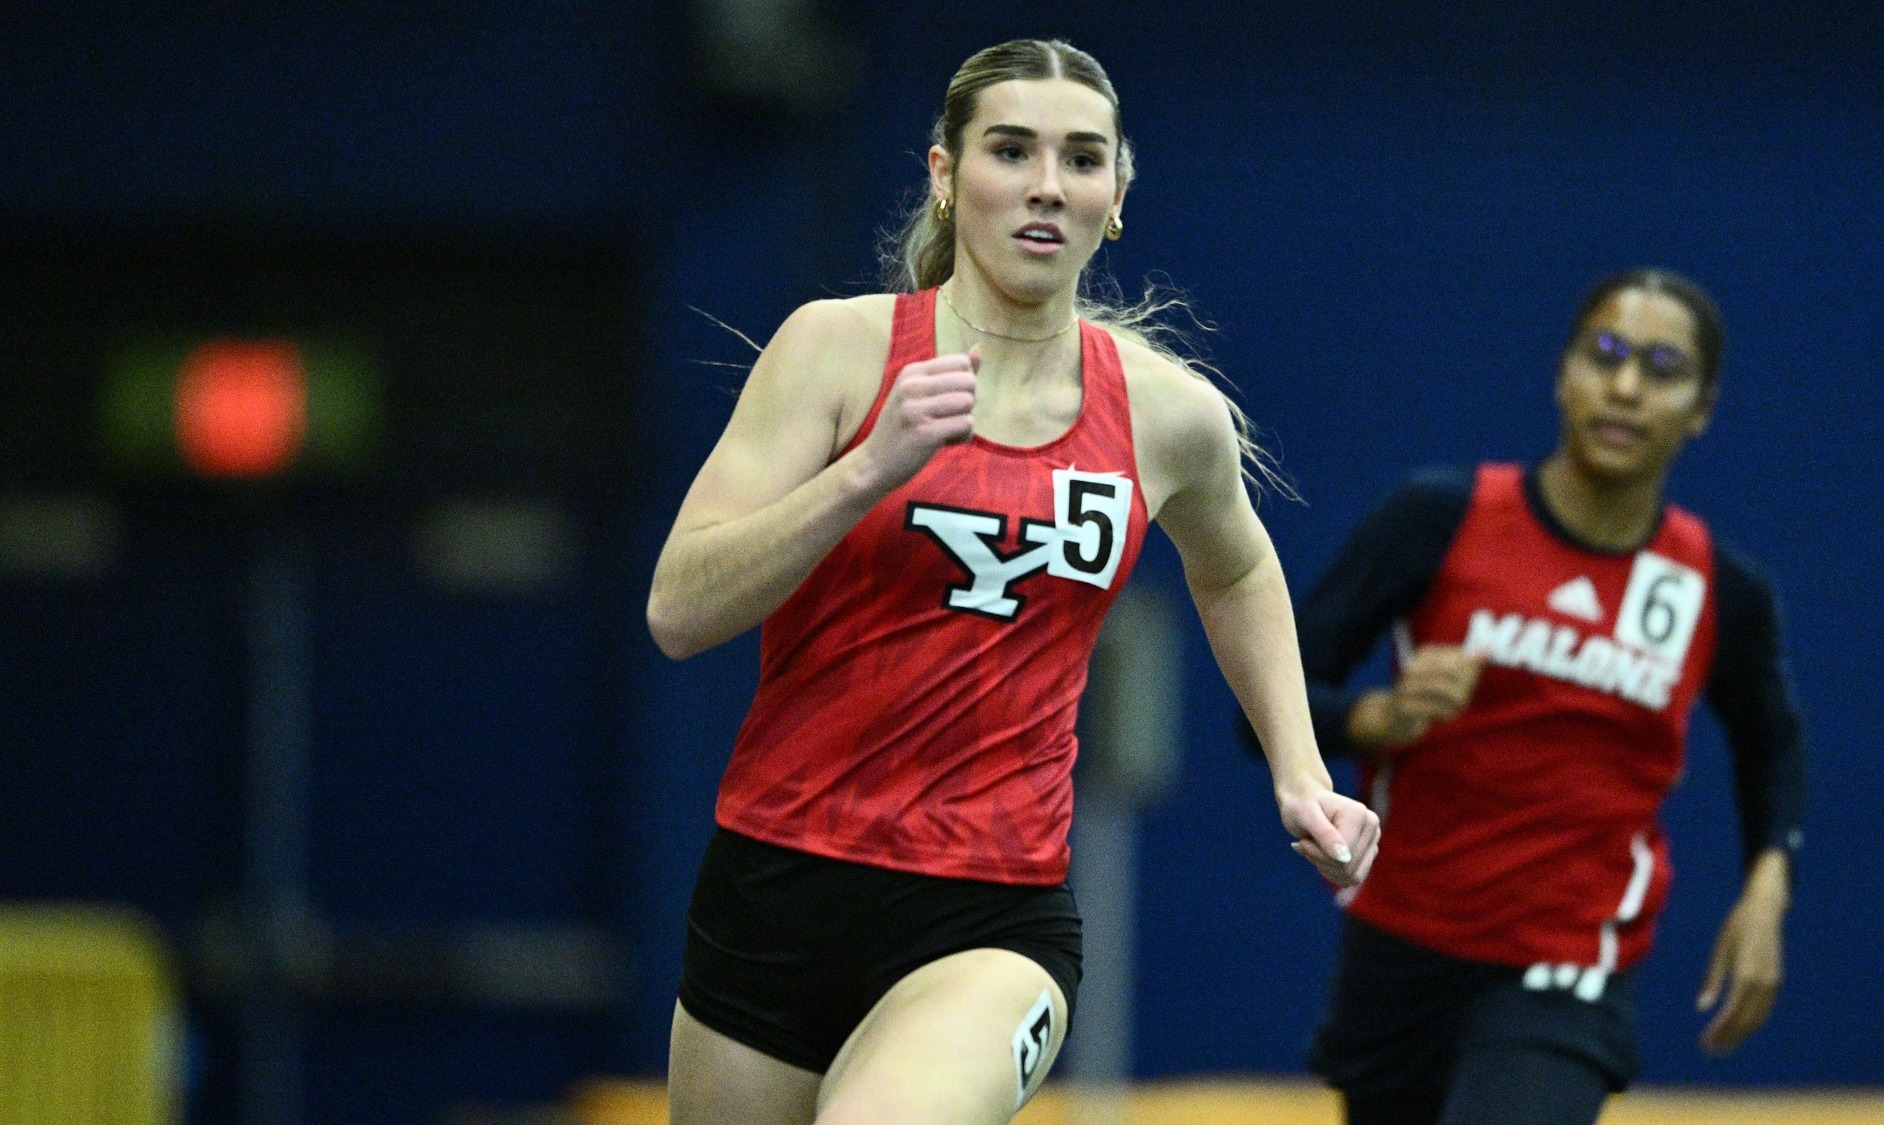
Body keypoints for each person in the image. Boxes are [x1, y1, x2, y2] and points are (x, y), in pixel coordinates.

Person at [646, 39, 1379, 1125]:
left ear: (1115, 196)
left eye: (1081, 159)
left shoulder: (1167, 413)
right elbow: (678, 608)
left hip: (991, 912)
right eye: (1010, 150)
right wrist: (863, 476)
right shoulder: (835, 354)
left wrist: (1298, 768)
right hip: (776, 884)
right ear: (945, 175)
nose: (1045, 183)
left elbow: (1235, 571)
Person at [1285, 269, 1807, 1125]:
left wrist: (1767, 884)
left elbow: (1772, 742)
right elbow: (1270, 701)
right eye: (1605, 355)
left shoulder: (1718, 587)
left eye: (1663, 368)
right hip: (1400, 943)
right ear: (1563, 373)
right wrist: (1377, 717)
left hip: (1570, 961)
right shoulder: (1438, 517)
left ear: (1703, 407)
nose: (1627, 387)